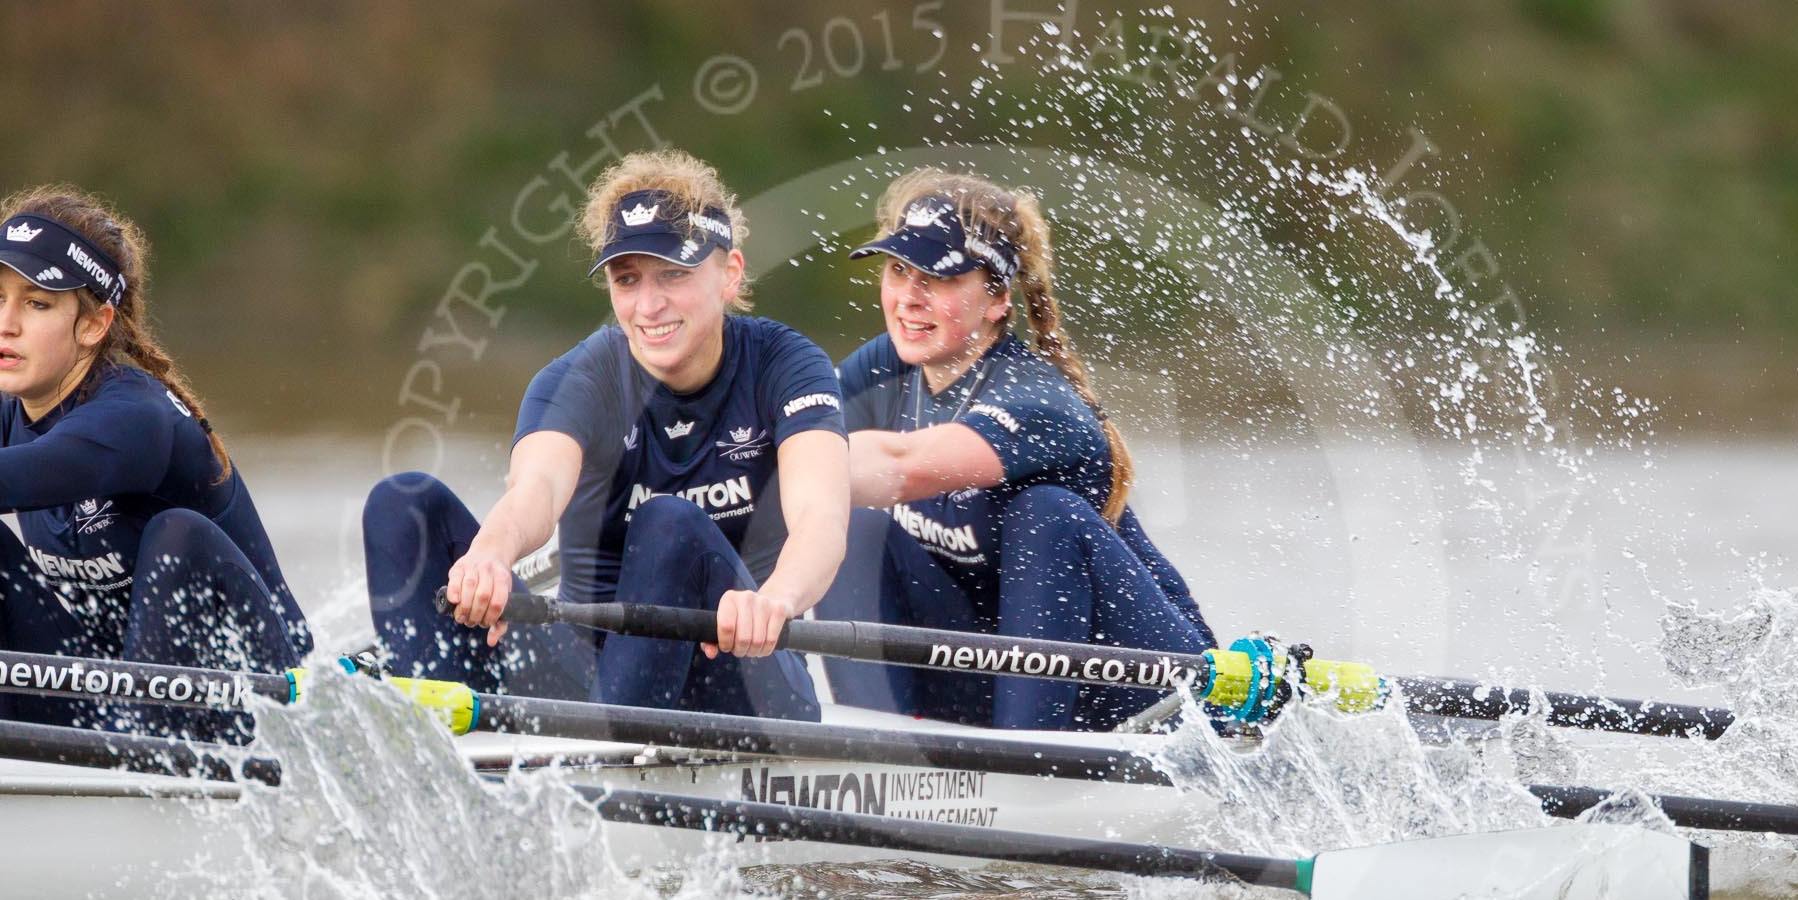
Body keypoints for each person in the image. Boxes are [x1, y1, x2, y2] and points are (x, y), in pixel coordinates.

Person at [365, 150, 848, 719]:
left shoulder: (787, 365)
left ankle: (604, 758)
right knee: (404, 503)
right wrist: (490, 555)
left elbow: (821, 518)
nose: (649, 305)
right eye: (627, 280)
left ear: (730, 273)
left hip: (739, 671)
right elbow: (535, 492)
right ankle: (429, 747)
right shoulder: (583, 378)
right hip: (590, 676)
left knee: (668, 521)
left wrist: (775, 601)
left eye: (674, 274)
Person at [823, 169, 1213, 731]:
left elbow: (899, 469)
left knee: (1045, 513)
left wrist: (785, 461)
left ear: (997, 300)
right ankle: (873, 742)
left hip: (1142, 689)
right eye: (899, 270)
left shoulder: (1038, 399)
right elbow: (773, 446)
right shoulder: (888, 364)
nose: (909, 297)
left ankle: (1025, 758)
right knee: (855, 525)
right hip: (998, 668)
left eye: (938, 277)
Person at [0, 185, 311, 734]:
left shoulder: (134, 419)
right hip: (113, 696)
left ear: (94, 324)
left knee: (177, 534)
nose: (4, 324)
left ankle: (144, 768)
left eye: (37, 303)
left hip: (247, 702)